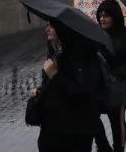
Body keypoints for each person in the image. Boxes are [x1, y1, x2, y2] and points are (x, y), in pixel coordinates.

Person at [28, 22, 104, 152]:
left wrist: (54, 75)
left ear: (63, 30)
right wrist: (39, 91)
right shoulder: (56, 53)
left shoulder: (84, 58)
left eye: (51, 26)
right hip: (53, 130)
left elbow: (84, 95)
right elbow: (52, 89)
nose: (47, 30)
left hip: (75, 133)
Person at [93, 0, 126, 152]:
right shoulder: (98, 35)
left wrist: (117, 73)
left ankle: (118, 148)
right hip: (101, 84)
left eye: (106, 15)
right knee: (92, 114)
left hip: (120, 86)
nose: (102, 19)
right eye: (100, 15)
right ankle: (103, 145)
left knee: (116, 119)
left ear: (115, 17)